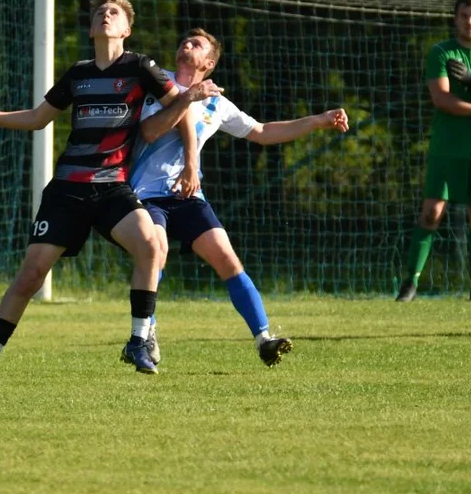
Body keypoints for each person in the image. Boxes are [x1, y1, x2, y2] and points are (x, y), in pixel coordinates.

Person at [0, 0, 221, 376]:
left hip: (112, 187)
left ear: (127, 29)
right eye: (99, 13)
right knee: (30, 276)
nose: (105, 16)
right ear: (92, 28)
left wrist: (191, 141)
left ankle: (137, 340)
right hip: (67, 189)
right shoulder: (78, 73)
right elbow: (37, 118)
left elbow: (180, 114)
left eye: (114, 13)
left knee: (150, 243)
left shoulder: (141, 67)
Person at [130, 28, 349, 367]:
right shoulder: (159, 82)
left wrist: (317, 121)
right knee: (156, 255)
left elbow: (262, 132)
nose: (186, 45)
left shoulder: (216, 103)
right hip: (148, 194)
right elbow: (149, 131)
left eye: (196, 44)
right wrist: (186, 100)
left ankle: (264, 339)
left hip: (188, 196)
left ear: (210, 62)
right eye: (184, 41)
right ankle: (147, 332)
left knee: (228, 260)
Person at [396, 0, 471, 302]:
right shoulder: (441, 52)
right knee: (432, 212)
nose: (470, 21)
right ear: (455, 19)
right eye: (464, 16)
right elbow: (442, 99)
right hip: (447, 146)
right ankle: (409, 284)